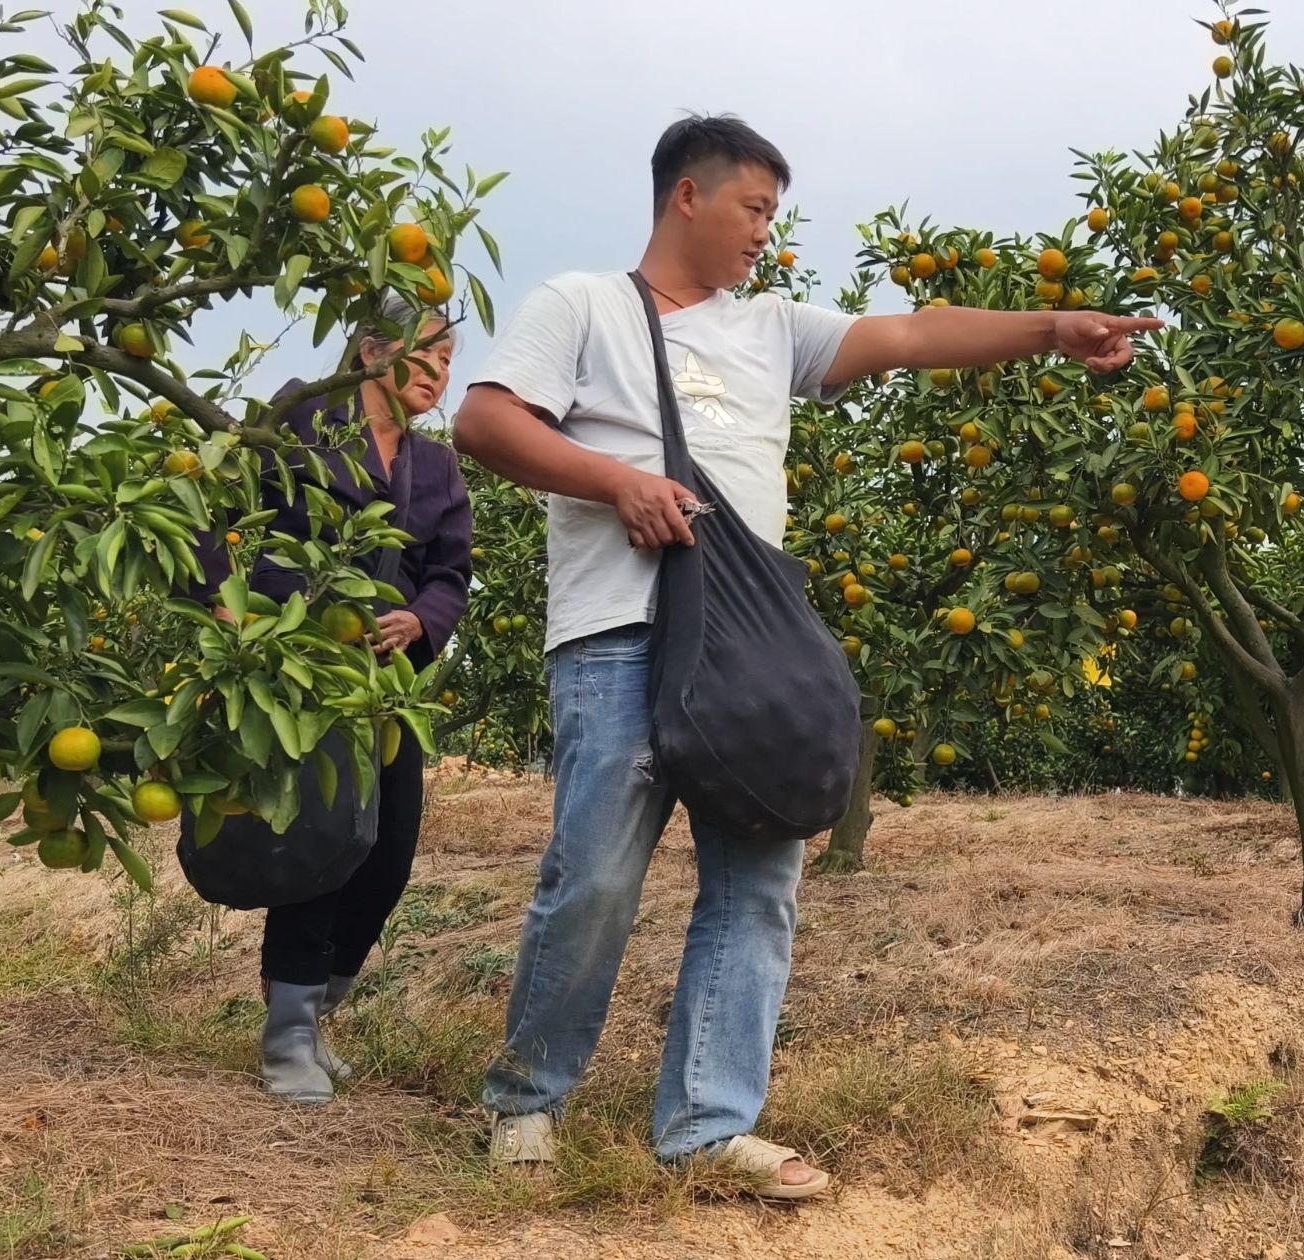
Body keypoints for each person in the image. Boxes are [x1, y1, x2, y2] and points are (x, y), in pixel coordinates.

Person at [452, 115, 1157, 1197]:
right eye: (754, 211)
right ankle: (525, 1102)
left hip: (746, 645)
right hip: (618, 635)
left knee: (757, 877)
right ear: (688, 195)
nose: (762, 238)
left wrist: (1052, 326)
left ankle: (706, 1126)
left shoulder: (773, 327)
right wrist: (618, 483)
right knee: (592, 876)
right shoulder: (581, 306)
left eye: (772, 218)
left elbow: (912, 335)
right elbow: (487, 423)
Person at [193, 292, 473, 1106]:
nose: (443, 373)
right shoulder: (297, 422)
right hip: (298, 674)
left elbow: (451, 572)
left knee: (387, 857)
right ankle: (285, 1036)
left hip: (384, 689)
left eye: (453, 361)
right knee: (322, 843)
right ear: (375, 352)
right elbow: (213, 517)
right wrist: (229, 603)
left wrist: (419, 618)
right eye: (433, 353)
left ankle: (317, 1016)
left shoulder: (439, 467)